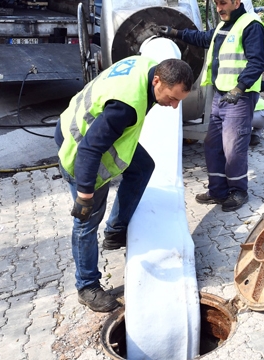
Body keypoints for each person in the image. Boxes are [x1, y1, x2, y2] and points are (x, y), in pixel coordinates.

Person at [54, 56, 194, 312]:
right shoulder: (126, 107)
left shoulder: (147, 66)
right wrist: (85, 196)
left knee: (142, 167)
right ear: (157, 81)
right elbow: (88, 150)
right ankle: (87, 287)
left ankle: (116, 230)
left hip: (88, 126)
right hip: (78, 145)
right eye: (172, 98)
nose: (174, 106)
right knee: (86, 220)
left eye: (179, 101)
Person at [159, 0, 264, 212]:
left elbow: (257, 62)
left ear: (237, 2)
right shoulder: (222, 26)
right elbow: (203, 38)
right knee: (213, 144)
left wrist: (239, 88)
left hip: (239, 97)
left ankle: (238, 191)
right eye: (217, 4)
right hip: (220, 95)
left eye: (223, 3)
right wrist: (175, 32)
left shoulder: (251, 25)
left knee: (233, 148)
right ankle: (217, 190)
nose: (219, 8)